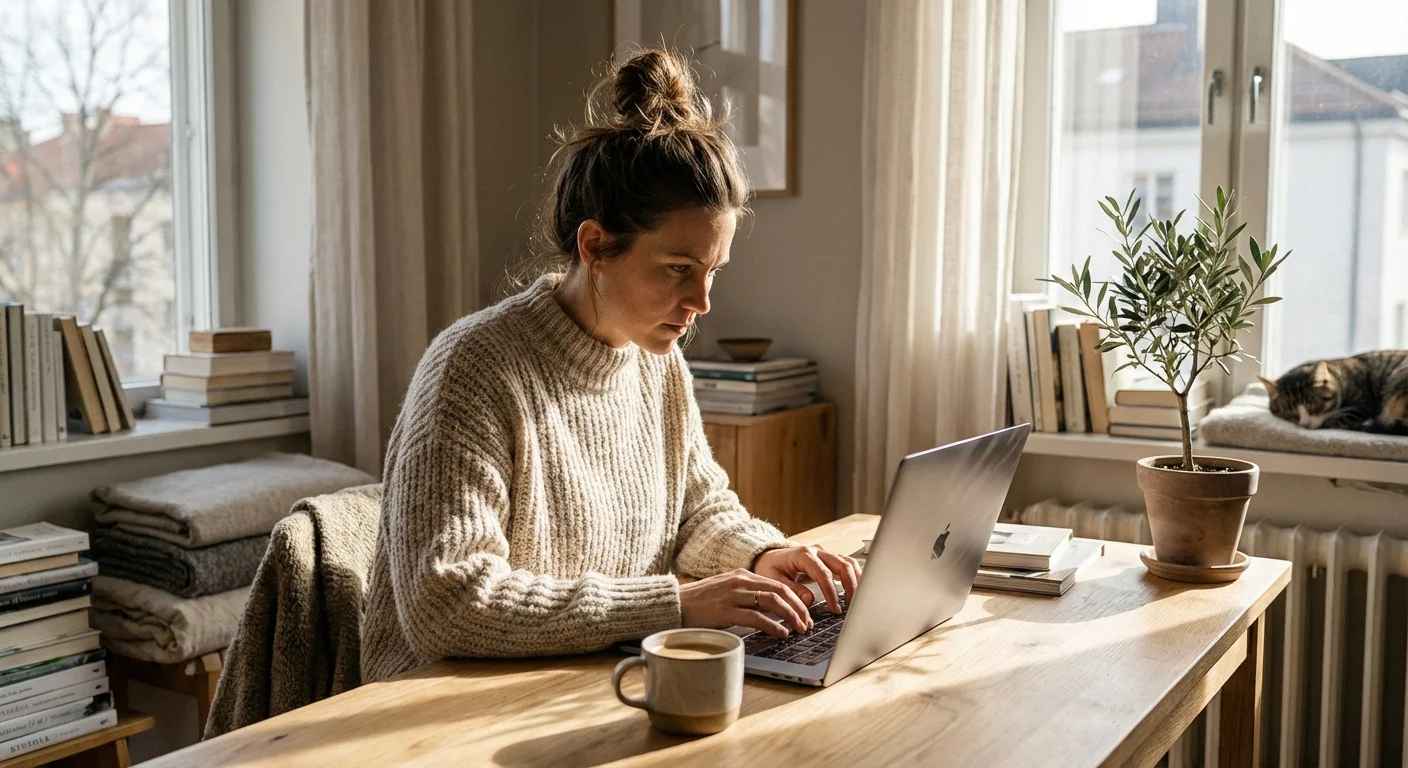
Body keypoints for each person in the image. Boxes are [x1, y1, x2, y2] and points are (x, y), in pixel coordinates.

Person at [360, 48, 861, 684]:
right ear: (595, 246)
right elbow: (448, 605)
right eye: (679, 269)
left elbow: (698, 512)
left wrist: (765, 556)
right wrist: (673, 605)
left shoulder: (658, 363)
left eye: (712, 272)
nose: (701, 303)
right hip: (432, 711)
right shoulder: (473, 368)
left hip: (586, 680)